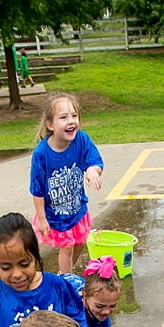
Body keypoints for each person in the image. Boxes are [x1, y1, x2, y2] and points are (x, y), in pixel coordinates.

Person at [30, 92, 103, 274]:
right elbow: (37, 189)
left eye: (74, 115)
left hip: (76, 209)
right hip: (54, 215)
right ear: (50, 125)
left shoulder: (82, 139)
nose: (71, 121)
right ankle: (66, 281)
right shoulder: (41, 154)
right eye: (63, 117)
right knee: (67, 247)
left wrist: (92, 170)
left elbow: (94, 162)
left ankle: (65, 273)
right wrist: (42, 218)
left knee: (80, 243)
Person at [62, 256, 123, 327]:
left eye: (113, 305)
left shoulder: (102, 304)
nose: (106, 311)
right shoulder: (78, 316)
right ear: (85, 297)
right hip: (62, 291)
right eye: (100, 306)